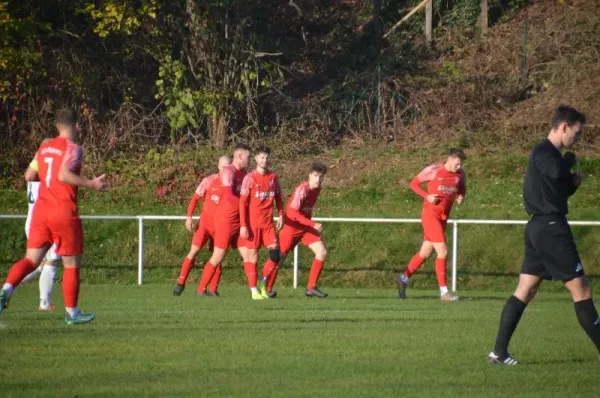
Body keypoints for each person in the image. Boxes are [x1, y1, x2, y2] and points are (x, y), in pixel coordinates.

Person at [488, 105, 600, 365]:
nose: (578, 138)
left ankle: (498, 352)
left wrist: (573, 184)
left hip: (541, 227)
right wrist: (570, 161)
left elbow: (557, 188)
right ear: (564, 127)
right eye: (577, 132)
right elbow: (556, 171)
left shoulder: (550, 156)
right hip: (550, 229)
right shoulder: (544, 151)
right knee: (581, 291)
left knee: (525, 290)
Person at [0, 108, 108, 324]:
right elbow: (64, 174)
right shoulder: (73, 148)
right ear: (76, 125)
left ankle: (6, 290)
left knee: (31, 260)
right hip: (63, 211)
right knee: (71, 264)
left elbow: (29, 175)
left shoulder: (45, 147)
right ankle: (72, 313)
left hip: (41, 212)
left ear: (57, 125)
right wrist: (91, 184)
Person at [395, 148, 466, 301]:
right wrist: (427, 196)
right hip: (430, 216)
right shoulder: (433, 170)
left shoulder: (460, 174)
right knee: (443, 252)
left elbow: (462, 187)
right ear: (450, 159)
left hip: (443, 217)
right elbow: (413, 184)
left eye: (461, 164)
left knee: (425, 253)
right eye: (457, 163)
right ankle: (444, 293)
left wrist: (461, 195)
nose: (459, 166)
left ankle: (403, 278)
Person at [194, 144, 254, 298]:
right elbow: (228, 196)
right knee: (218, 256)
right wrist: (245, 207)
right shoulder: (228, 172)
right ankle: (201, 290)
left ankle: (255, 291)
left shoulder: (245, 174)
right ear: (240, 156)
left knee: (248, 253)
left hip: (239, 220)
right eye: (248, 156)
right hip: (226, 220)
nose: (250, 159)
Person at [265, 161, 328, 298]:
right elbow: (292, 212)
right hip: (291, 227)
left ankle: (311, 287)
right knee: (279, 259)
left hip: (304, 228)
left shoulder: (317, 189)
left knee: (321, 252)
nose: (318, 179)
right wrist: (312, 224)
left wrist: (308, 224)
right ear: (310, 176)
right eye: (316, 175)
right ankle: (266, 287)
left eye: (321, 176)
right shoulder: (303, 189)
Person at [172, 155, 231, 296]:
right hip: (205, 225)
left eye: (228, 168)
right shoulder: (209, 181)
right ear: (218, 167)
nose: (225, 170)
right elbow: (195, 199)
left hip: (221, 227)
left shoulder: (233, 185)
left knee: (218, 258)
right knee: (193, 252)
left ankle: (213, 290)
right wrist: (189, 218)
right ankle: (181, 283)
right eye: (223, 167)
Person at [239, 145, 284, 299]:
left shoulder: (273, 177)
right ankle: (253, 291)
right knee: (253, 256)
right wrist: (243, 225)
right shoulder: (249, 178)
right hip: (253, 224)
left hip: (268, 224)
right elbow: (242, 203)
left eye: (267, 157)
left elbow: (278, 197)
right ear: (256, 159)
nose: (265, 160)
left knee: (275, 255)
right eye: (262, 157)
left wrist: (281, 214)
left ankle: (262, 280)